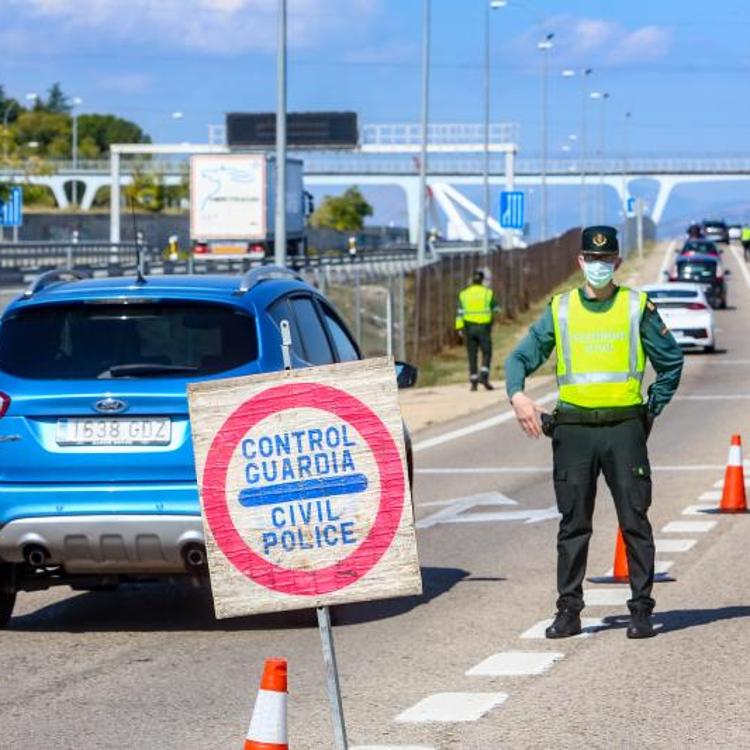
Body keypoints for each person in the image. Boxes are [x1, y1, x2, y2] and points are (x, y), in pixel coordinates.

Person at [505, 226, 683, 639]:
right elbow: (520, 358)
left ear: (617, 262)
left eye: (606, 260)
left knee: (634, 521)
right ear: (580, 262)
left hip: (624, 430)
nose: (599, 266)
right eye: (591, 259)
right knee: (573, 526)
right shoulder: (561, 309)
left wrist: (649, 410)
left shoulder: (636, 306)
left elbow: (671, 362)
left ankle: (641, 610)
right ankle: (568, 611)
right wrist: (518, 396)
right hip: (575, 433)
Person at [455, 270, 499, 391]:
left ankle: (474, 381)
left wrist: (459, 328)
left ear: (471, 280)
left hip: (469, 328)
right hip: (484, 327)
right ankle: (484, 375)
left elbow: (459, 312)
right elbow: (496, 308)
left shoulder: (463, 294)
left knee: (472, 354)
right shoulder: (488, 293)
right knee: (487, 352)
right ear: (482, 280)